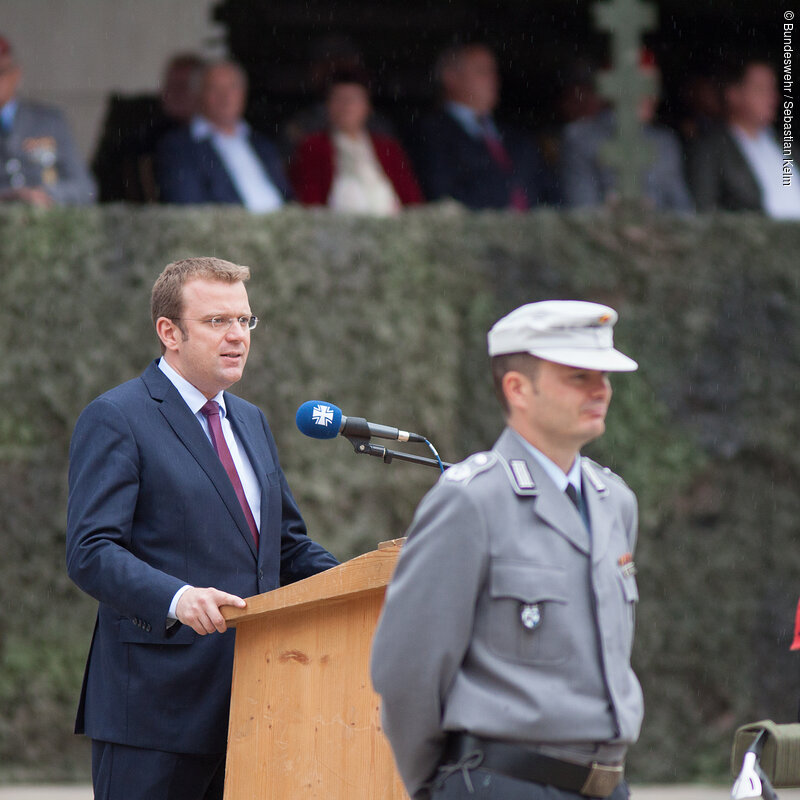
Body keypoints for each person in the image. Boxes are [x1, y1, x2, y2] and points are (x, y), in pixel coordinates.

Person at [66, 257, 338, 800]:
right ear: (169, 332)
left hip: (254, 706)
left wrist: (369, 585)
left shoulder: (251, 420)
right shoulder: (118, 416)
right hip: (154, 713)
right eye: (217, 321)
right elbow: (91, 550)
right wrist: (178, 598)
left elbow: (285, 547)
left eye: (244, 320)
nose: (237, 335)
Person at [371, 300, 643, 800]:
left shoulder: (615, 502)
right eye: (578, 376)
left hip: (607, 786)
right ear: (518, 389)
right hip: (503, 784)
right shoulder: (471, 501)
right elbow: (408, 669)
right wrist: (435, 786)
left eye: (604, 376)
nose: (601, 389)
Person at [413, 43, 551, 210]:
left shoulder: (518, 136)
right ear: (450, 77)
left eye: (493, 71)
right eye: (482, 71)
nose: (493, 79)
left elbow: (550, 190)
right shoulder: (430, 134)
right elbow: (442, 197)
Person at [560, 51, 693, 211]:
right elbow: (580, 210)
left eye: (652, 87)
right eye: (642, 86)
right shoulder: (580, 138)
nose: (651, 97)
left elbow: (683, 211)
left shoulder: (665, 143)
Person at [157, 61, 291, 210]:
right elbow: (190, 207)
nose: (225, 96)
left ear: (243, 93)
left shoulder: (262, 144)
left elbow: (289, 197)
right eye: (214, 88)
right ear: (199, 95)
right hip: (234, 224)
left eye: (232, 87)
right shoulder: (179, 147)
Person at [290, 70, 424, 215]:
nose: (347, 106)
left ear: (367, 107)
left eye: (354, 100)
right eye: (339, 99)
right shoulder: (313, 146)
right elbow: (310, 202)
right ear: (328, 106)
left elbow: (412, 199)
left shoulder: (388, 148)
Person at [688, 60, 800, 218]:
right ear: (733, 94)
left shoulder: (785, 143)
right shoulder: (710, 148)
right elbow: (704, 210)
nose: (773, 97)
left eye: (772, 89)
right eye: (760, 89)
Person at [92, 53, 205, 203]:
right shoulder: (138, 136)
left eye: (183, 86)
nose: (175, 93)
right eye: (170, 85)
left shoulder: (214, 137)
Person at [0, 33, 95, 207]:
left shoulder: (49, 121)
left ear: (16, 73)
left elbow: (85, 189)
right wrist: (8, 196)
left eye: (1, 72)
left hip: (45, 219)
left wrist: (45, 195)